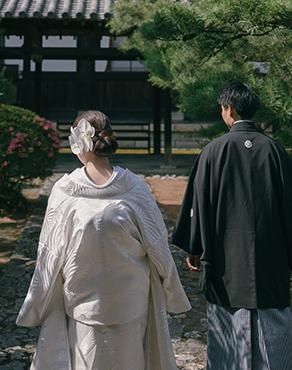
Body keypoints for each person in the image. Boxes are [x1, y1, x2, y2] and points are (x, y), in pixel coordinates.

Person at [17, 110, 190, 370]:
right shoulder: (134, 188)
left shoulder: (66, 192)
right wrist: (171, 293)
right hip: (130, 300)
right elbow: (158, 246)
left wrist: (36, 303)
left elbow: (49, 254)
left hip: (84, 301)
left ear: (79, 142)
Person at [171, 81, 292, 370]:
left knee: (226, 334)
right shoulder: (275, 151)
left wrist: (194, 247)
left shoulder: (213, 151)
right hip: (270, 262)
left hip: (226, 264)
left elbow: (198, 204)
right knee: (274, 334)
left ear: (229, 110)